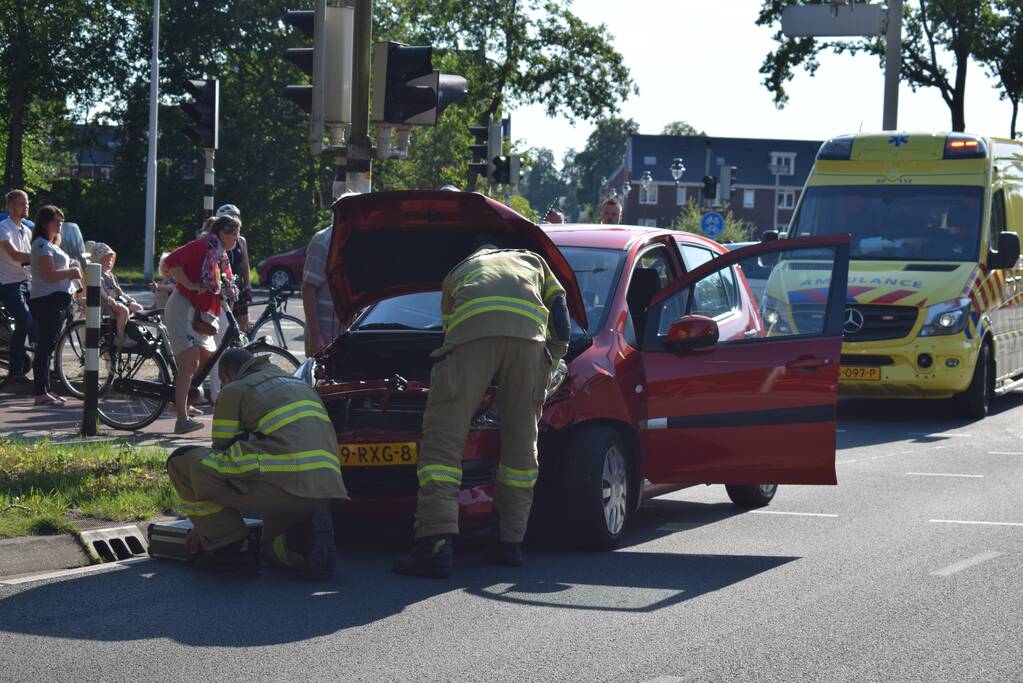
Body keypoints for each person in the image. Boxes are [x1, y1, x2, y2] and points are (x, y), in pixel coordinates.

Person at [393, 235, 571, 578]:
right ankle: (509, 544)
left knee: (444, 443)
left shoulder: (459, 271)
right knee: (522, 445)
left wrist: (471, 381)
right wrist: (554, 356)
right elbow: (560, 314)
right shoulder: (534, 261)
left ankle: (436, 544)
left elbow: (452, 336)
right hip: (530, 345)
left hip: (473, 341)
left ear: (476, 255)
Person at [166, 347, 348, 578]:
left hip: (281, 486)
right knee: (270, 547)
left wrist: (206, 525)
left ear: (227, 377)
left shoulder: (235, 390)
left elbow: (221, 455)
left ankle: (229, 549)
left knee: (183, 461)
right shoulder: (299, 384)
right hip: (326, 489)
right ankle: (303, 545)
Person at [162, 214, 240, 434]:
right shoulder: (202, 246)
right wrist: (191, 284)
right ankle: (181, 419)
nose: (237, 238)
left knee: (206, 361)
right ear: (222, 233)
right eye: (234, 234)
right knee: (189, 363)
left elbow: (220, 282)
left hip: (199, 312)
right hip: (183, 307)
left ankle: (179, 401)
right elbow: (170, 263)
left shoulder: (219, 254)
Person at [28, 205, 81, 406]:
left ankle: (46, 389)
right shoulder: (41, 245)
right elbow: (49, 276)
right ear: (44, 223)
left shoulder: (53, 245)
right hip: (47, 299)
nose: (60, 224)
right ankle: (40, 391)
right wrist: (72, 272)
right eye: (55, 221)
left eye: (61, 221)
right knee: (45, 346)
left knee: (50, 346)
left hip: (58, 298)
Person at [302, 192, 358, 356]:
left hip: (351, 337)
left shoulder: (361, 241)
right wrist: (315, 337)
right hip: (325, 336)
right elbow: (308, 288)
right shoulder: (323, 241)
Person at [0, 190, 34, 386]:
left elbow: (31, 260)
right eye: (22, 203)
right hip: (8, 283)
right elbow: (14, 255)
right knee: (25, 321)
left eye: (27, 203)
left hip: (25, 282)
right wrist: (40, 258)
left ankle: (43, 365)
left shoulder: (26, 231)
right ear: (10, 207)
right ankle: (14, 371)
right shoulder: (3, 228)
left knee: (45, 314)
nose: (26, 206)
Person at [90, 242, 143, 348]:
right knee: (124, 311)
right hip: (109, 303)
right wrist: (110, 299)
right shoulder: (98, 276)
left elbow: (120, 292)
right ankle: (121, 337)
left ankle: (131, 330)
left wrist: (126, 297)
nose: (109, 263)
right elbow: (101, 292)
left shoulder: (111, 276)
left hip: (118, 299)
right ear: (98, 260)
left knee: (138, 308)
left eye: (110, 260)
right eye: (106, 260)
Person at [215, 204, 252, 333]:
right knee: (224, 324)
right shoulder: (216, 241)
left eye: (234, 217)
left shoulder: (241, 240)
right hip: (222, 286)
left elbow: (245, 264)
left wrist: (248, 285)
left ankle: (243, 351)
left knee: (244, 325)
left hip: (237, 285)